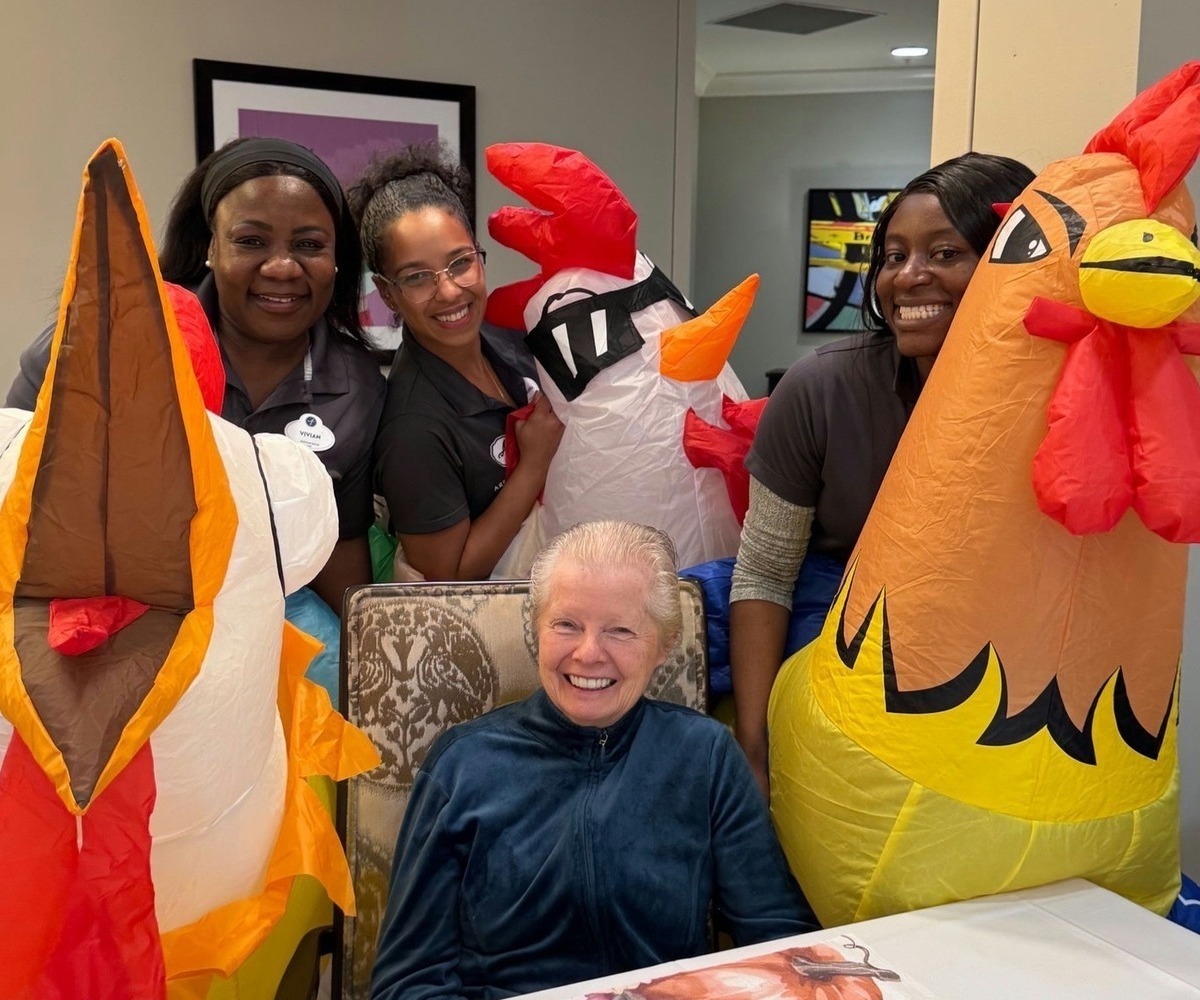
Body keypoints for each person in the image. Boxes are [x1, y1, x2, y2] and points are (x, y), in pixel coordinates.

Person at [371, 520, 818, 1000]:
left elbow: (782, 942)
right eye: (566, 624)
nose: (588, 654)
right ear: (536, 628)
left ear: (664, 645)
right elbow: (407, 983)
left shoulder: (704, 756)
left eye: (620, 630)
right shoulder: (463, 765)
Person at [730, 152, 1036, 796]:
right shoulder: (821, 388)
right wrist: (754, 754)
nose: (909, 277)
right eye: (894, 256)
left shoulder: (1059, 399)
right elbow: (764, 573)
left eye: (946, 253)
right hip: (840, 628)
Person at [7, 137, 385, 619]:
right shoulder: (113, 333)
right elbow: (13, 483)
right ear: (209, 246)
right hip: (104, 600)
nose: (282, 267)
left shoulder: (359, 385)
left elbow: (340, 540)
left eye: (309, 245)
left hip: (272, 608)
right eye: (250, 241)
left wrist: (368, 656)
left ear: (337, 261)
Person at [348, 144, 563, 581]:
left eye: (460, 263)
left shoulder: (508, 336)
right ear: (387, 293)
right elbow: (448, 578)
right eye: (417, 277)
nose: (448, 292)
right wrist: (534, 466)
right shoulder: (413, 428)